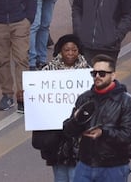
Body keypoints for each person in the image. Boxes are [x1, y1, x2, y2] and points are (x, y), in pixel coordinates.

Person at [62, 55, 131, 181]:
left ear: (113, 76)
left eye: (102, 73)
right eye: (94, 73)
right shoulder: (84, 98)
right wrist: (76, 121)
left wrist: (103, 133)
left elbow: (129, 134)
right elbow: (68, 131)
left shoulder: (125, 101)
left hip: (113, 167)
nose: (97, 76)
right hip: (85, 164)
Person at [32, 35, 89, 181]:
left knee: (75, 175)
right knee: (60, 176)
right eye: (66, 50)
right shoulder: (47, 72)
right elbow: (38, 99)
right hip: (56, 137)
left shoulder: (88, 73)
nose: (70, 53)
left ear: (79, 51)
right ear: (60, 51)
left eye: (74, 50)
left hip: (79, 138)